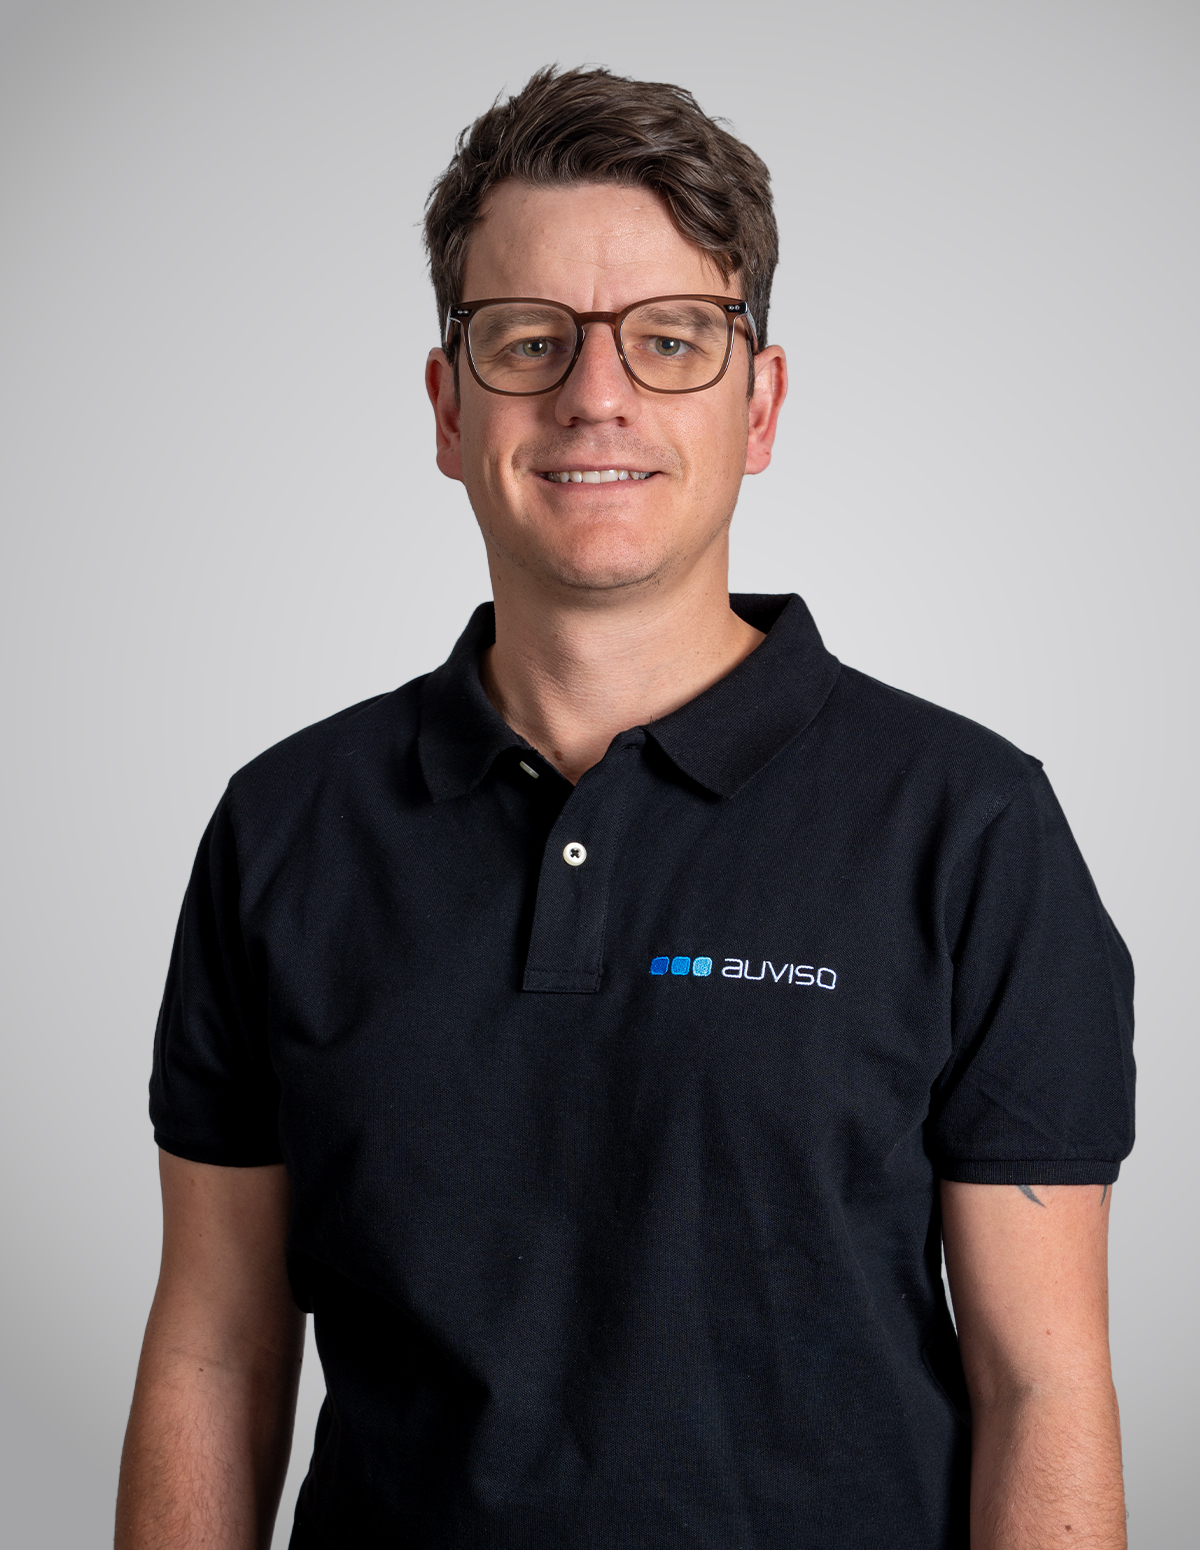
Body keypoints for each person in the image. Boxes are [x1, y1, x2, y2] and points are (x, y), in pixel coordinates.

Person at [115, 66, 1135, 1550]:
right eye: (529, 339)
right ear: (449, 407)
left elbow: (1042, 1384)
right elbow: (214, 1348)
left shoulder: (971, 830)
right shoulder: (284, 830)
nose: (596, 395)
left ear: (759, 404)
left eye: (670, 339)